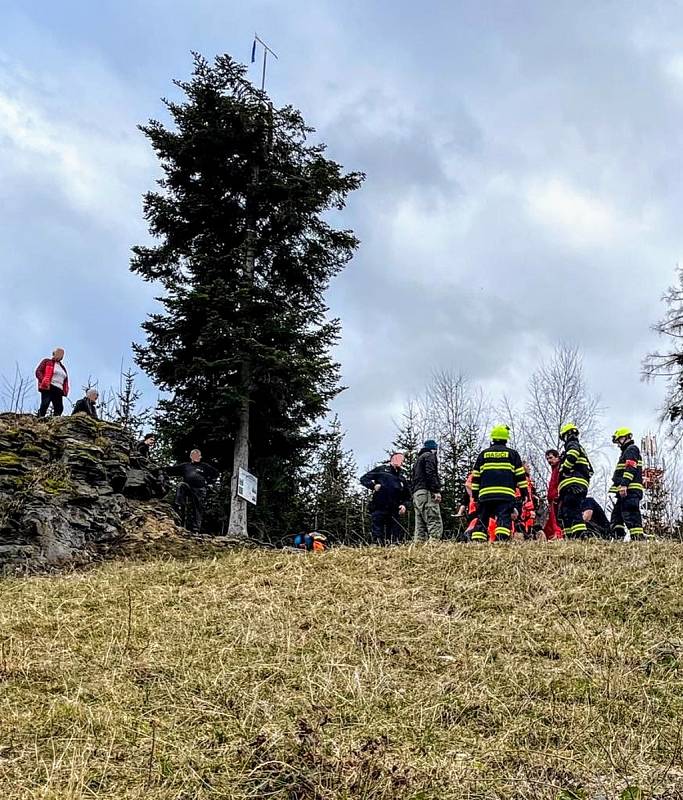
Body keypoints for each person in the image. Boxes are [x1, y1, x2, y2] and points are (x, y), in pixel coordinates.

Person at [470, 425, 528, 542]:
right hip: (505, 495)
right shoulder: (513, 454)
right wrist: (524, 493)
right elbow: (521, 477)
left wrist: (475, 497)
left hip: (485, 495)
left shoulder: (483, 454)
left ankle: (477, 542)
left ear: (492, 439)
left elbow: (475, 478)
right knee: (503, 518)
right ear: (506, 439)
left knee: (482, 518)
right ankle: (500, 542)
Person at [360, 453, 412, 545]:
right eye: (397, 458)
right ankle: (376, 549)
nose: (399, 461)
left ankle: (392, 552)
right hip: (379, 507)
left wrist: (404, 505)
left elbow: (407, 496)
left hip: (394, 510)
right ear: (391, 459)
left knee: (393, 537)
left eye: (402, 460)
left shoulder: (402, 478)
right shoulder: (381, 470)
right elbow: (364, 479)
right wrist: (373, 486)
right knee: (377, 533)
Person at [166, 449, 220, 533]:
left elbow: (216, 473)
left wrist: (209, 482)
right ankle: (178, 506)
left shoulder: (204, 466)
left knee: (197, 508)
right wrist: (159, 470)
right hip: (188, 487)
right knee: (181, 485)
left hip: (200, 489)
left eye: (198, 455)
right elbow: (171, 470)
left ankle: (196, 530)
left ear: (200, 457)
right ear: (191, 456)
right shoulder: (186, 466)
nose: (196, 457)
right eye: (194, 455)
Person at [558, 423, 593, 539]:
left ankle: (581, 535)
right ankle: (570, 537)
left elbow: (573, 455)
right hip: (577, 484)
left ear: (567, 435)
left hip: (572, 484)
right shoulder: (581, 448)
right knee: (566, 511)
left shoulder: (572, 444)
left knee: (572, 510)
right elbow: (590, 471)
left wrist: (565, 468)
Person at [609, 427, 644, 540]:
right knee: (616, 516)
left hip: (630, 490)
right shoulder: (626, 451)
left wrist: (624, 484)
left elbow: (630, 467)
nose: (618, 444)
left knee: (631, 515)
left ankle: (638, 539)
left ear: (625, 437)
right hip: (624, 492)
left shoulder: (631, 449)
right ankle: (617, 538)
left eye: (619, 440)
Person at [411, 440, 443, 541]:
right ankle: (434, 545)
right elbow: (430, 473)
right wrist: (436, 490)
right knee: (433, 519)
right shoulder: (429, 456)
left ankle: (418, 547)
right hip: (427, 492)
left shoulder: (417, 461)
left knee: (420, 524)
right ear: (434, 449)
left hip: (417, 494)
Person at [35, 348, 69, 418]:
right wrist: (43, 379)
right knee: (45, 403)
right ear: (53, 354)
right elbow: (38, 371)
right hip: (48, 386)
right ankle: (40, 418)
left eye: (62, 355)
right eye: (58, 353)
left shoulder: (63, 367)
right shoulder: (47, 361)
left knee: (59, 408)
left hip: (59, 388)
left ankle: (54, 421)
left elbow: (65, 379)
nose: (60, 356)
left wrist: (65, 389)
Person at [543, 449, 563, 540]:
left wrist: (557, 494)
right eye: (547, 459)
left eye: (551, 458)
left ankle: (558, 535)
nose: (549, 461)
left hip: (556, 498)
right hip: (552, 499)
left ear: (557, 457)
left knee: (556, 519)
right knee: (551, 521)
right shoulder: (554, 469)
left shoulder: (559, 468)